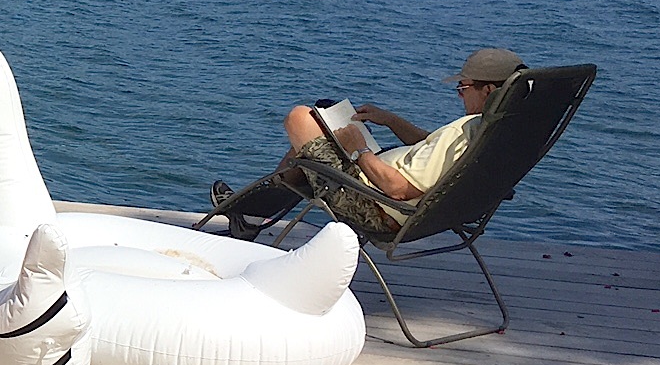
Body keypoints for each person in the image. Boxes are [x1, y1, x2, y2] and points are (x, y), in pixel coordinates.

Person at [214, 47, 523, 236]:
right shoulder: (494, 131)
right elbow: (433, 149)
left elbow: (398, 190)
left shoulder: (463, 131)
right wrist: (390, 120)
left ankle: (249, 210)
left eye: (464, 87)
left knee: (301, 118)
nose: (459, 93)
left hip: (375, 205)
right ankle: (250, 211)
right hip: (415, 205)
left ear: (489, 91)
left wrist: (358, 149)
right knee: (322, 123)